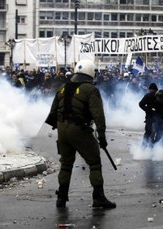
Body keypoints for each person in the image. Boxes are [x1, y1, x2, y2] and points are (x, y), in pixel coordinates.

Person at [46, 59, 116, 209]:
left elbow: (53, 111)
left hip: (62, 129)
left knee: (66, 164)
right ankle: (98, 198)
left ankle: (61, 198)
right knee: (94, 162)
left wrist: (59, 128)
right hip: (78, 129)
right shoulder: (90, 90)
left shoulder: (63, 88)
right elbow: (98, 115)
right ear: (91, 72)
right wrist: (102, 136)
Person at [139, 83, 158, 149]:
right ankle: (151, 147)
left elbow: (141, 104)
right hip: (154, 117)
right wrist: (148, 110)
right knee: (154, 132)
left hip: (150, 117)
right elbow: (141, 104)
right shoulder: (155, 95)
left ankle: (144, 147)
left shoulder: (149, 95)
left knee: (148, 133)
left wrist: (147, 110)